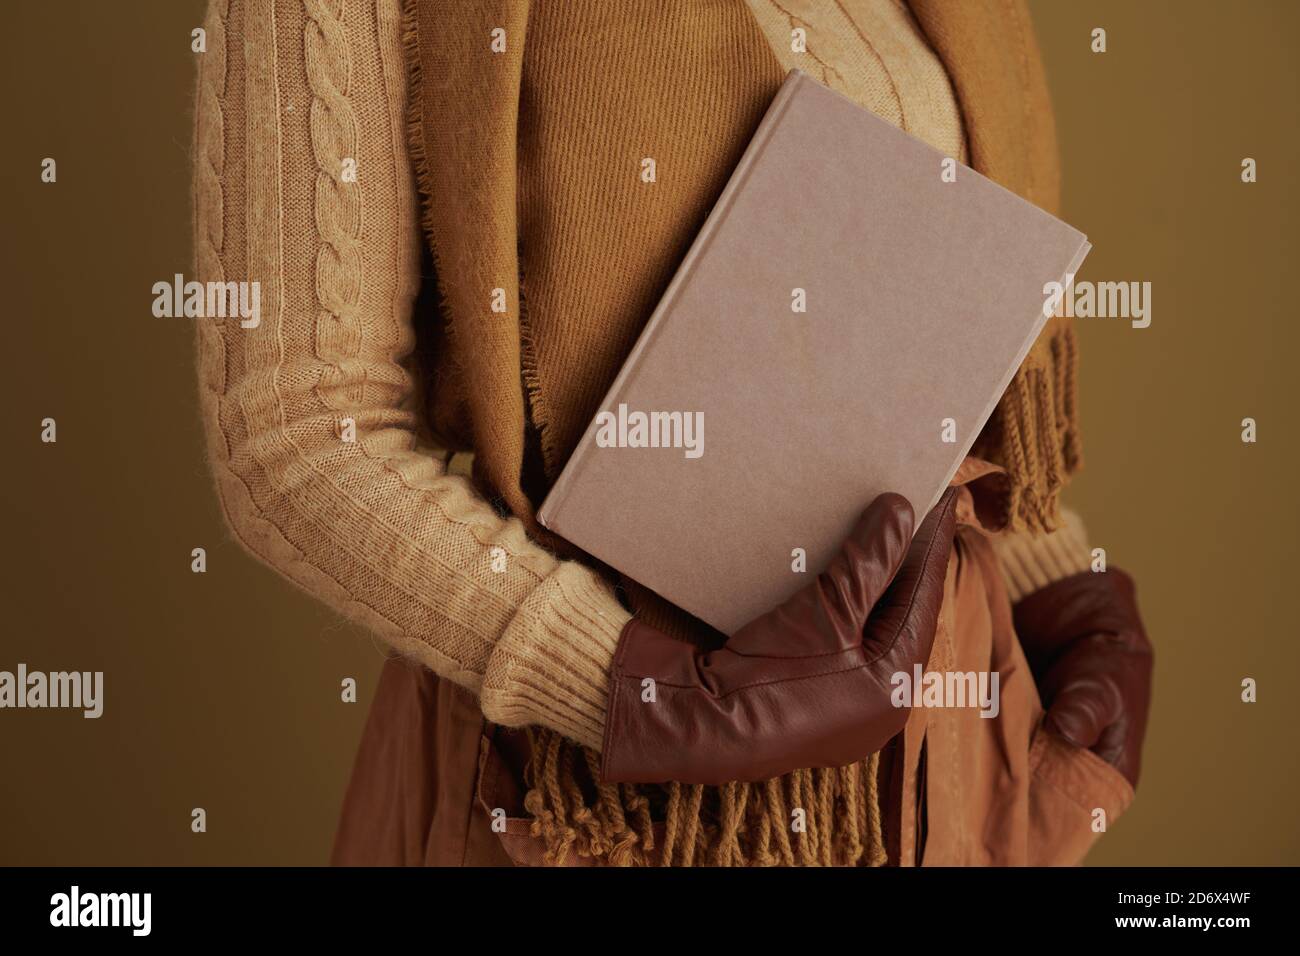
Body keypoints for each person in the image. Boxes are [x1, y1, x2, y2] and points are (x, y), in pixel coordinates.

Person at [192, 0, 1152, 866]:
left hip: (947, 768)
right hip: (610, 796)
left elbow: (897, 338)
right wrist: (638, 694)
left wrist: (1047, 574)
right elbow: (298, 431)